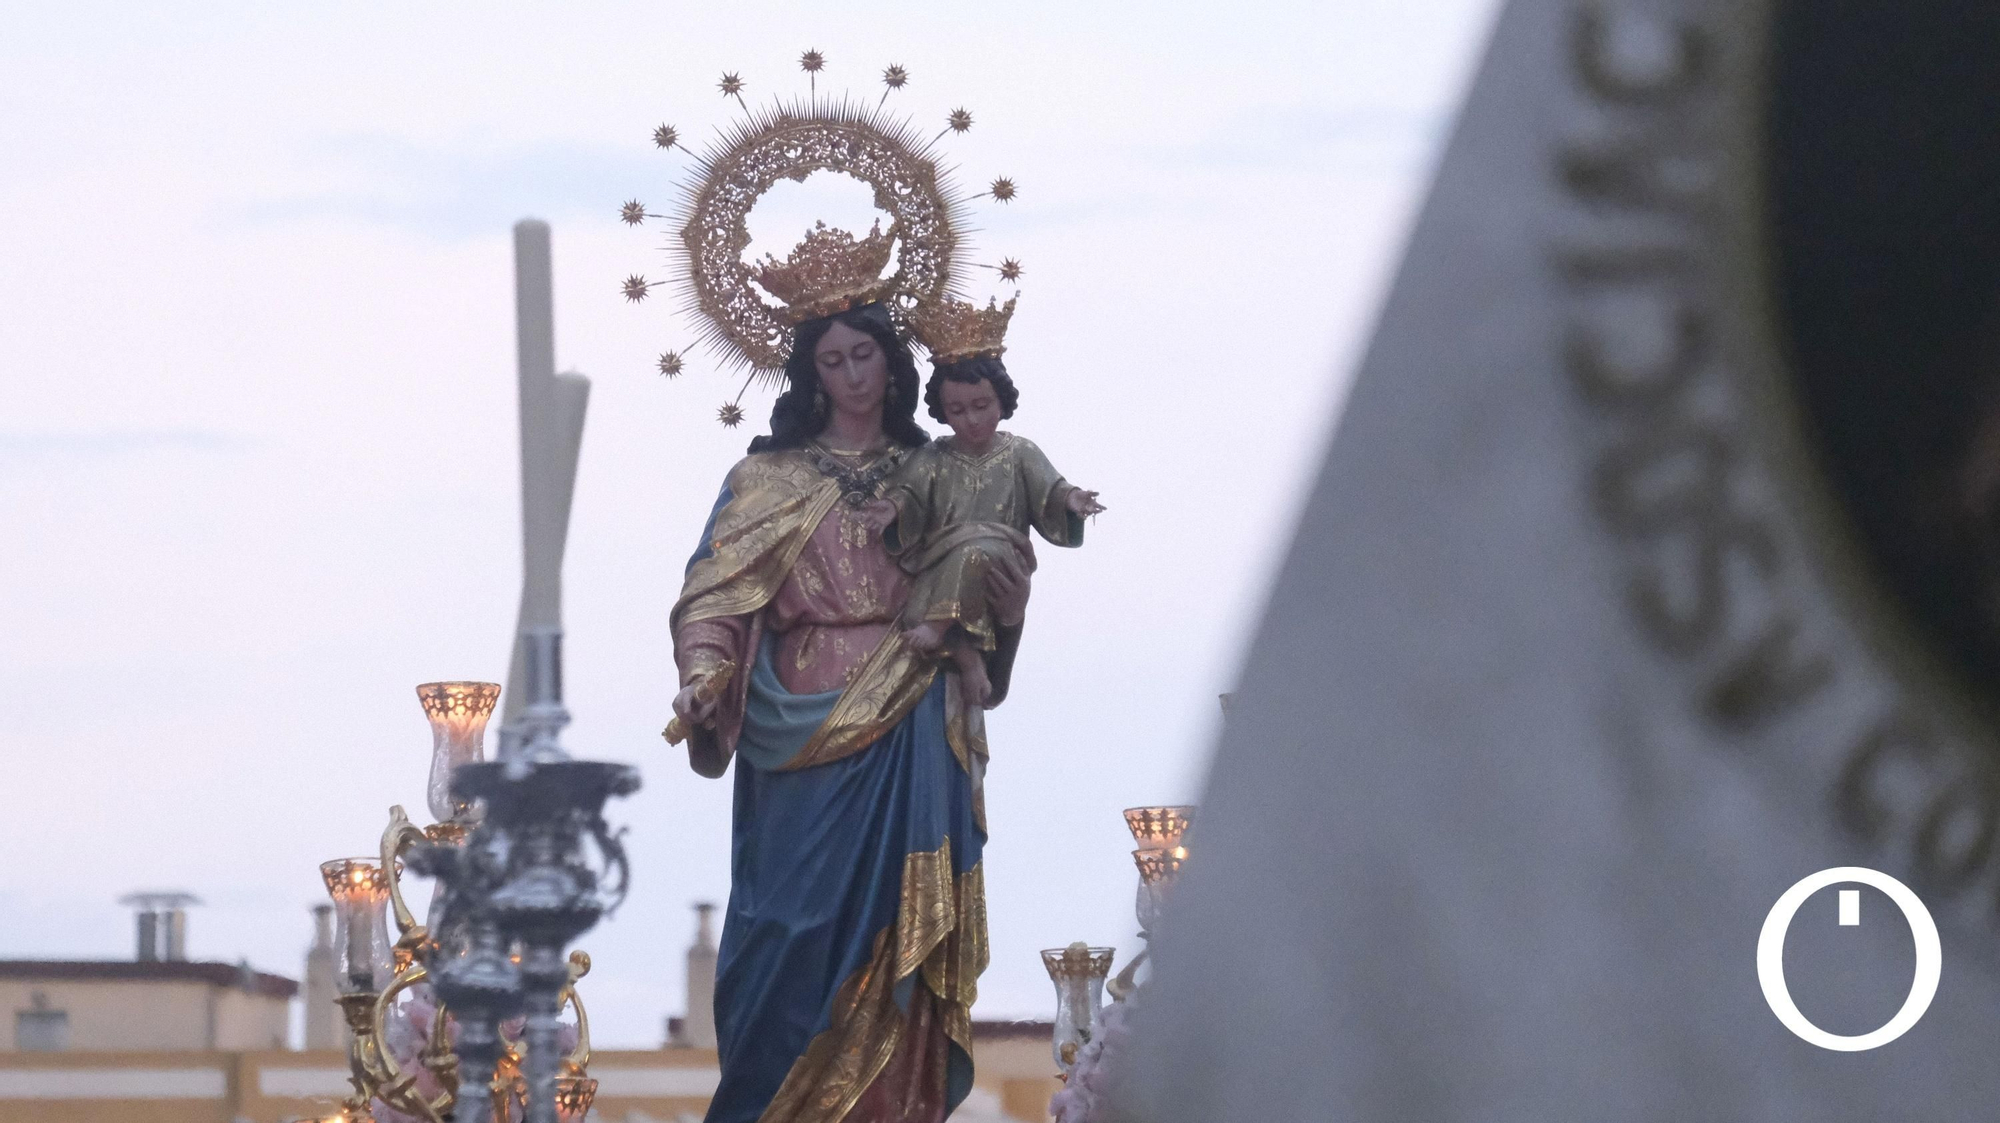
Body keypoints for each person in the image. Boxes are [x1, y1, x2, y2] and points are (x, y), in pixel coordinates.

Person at [670, 300, 1029, 1123]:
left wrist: (1007, 613)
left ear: (894, 363)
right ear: (810, 373)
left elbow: (982, 590)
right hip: (798, 727)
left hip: (917, 716)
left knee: (904, 929)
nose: (853, 374)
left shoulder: (941, 468)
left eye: (865, 354)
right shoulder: (766, 480)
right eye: (833, 360)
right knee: (786, 931)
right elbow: (713, 599)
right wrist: (702, 673)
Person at [868, 336, 1104, 708]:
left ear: (1002, 402)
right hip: (940, 562)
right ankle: (967, 658)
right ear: (943, 411)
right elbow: (909, 493)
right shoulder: (932, 457)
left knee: (975, 556)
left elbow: (1051, 490)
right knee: (917, 611)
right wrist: (892, 509)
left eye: (982, 405)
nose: (973, 419)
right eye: (958, 410)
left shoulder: (1019, 452)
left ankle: (943, 630)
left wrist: (1072, 500)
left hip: (999, 553)